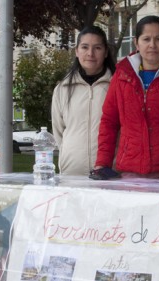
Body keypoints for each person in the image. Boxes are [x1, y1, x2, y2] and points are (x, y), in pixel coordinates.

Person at [94, 15, 159, 179]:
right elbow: (109, 121)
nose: (152, 45)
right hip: (128, 172)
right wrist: (102, 163)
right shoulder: (121, 76)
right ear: (136, 43)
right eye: (146, 39)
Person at [51, 25, 116, 175]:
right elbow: (59, 131)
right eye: (85, 47)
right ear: (76, 51)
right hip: (72, 173)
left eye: (97, 48)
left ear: (106, 52)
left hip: (109, 172)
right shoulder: (63, 89)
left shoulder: (117, 86)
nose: (90, 53)